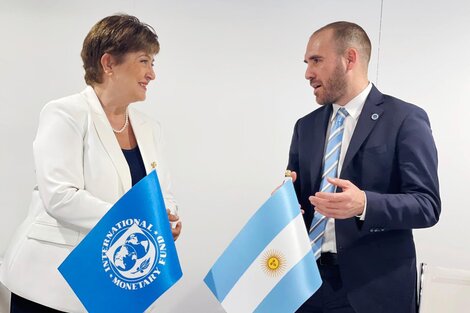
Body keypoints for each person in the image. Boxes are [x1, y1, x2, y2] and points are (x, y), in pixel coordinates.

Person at [0, 14, 181, 313]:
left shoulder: (150, 127)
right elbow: (61, 197)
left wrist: (167, 217)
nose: (152, 75)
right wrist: (141, 222)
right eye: (144, 61)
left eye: (152, 64)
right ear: (108, 63)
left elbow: (161, 191)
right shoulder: (64, 113)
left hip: (110, 282)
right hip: (50, 285)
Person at [287, 21, 440, 313]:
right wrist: (284, 204)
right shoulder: (305, 127)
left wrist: (364, 204)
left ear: (350, 59)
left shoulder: (405, 119)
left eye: (316, 60)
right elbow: (298, 199)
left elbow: (427, 205)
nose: (308, 73)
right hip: (305, 286)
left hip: (371, 291)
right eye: (307, 63)